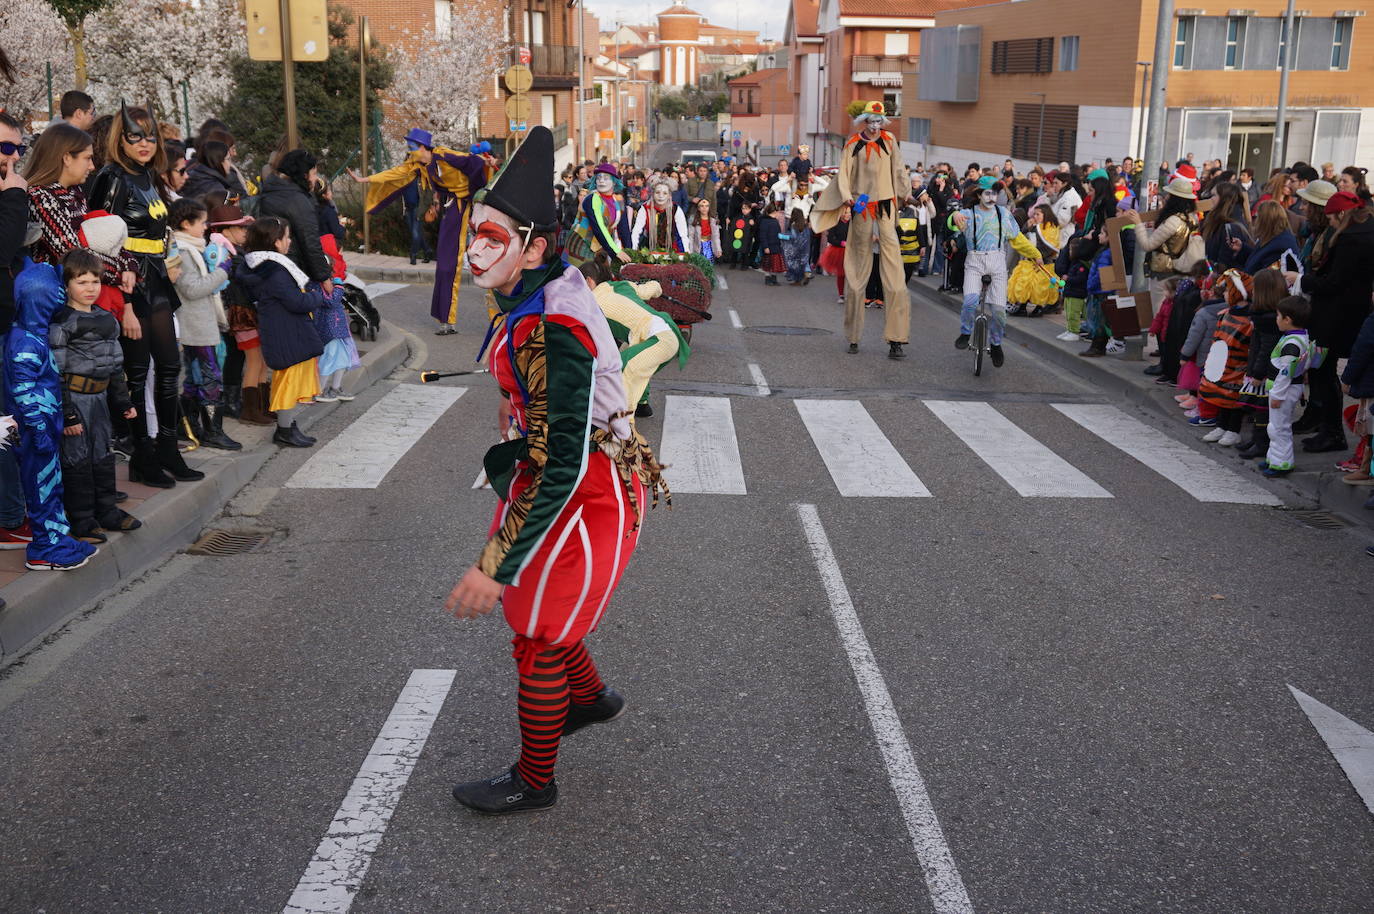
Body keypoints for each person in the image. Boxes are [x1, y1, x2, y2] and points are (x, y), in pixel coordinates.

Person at [445, 126, 666, 816]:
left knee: (537, 635)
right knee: (539, 619)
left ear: (535, 246)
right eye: (476, 231)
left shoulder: (552, 323)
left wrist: (494, 561)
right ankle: (593, 698)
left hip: (587, 489)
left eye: (493, 235)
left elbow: (561, 458)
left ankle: (534, 781)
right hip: (577, 475)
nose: (476, 246)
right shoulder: (536, 288)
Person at [87, 102, 201, 488]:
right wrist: (127, 302)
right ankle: (143, 455)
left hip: (156, 280)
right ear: (121, 137)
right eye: (135, 136)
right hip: (128, 285)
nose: (144, 143)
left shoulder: (149, 176)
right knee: (137, 375)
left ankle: (167, 448)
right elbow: (99, 241)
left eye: (150, 137)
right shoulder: (110, 176)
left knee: (169, 367)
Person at [5, 261, 99, 571]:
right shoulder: (25, 343)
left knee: (52, 486)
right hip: (35, 433)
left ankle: (57, 538)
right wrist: (39, 430)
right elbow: (22, 390)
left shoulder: (32, 334)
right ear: (43, 299)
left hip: (45, 428)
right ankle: (45, 549)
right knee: (42, 488)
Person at [353, 128, 489, 334]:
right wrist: (366, 180)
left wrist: (478, 187)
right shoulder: (419, 166)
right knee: (444, 265)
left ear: (424, 147)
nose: (409, 152)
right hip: (449, 208)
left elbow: (474, 162)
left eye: (412, 148)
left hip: (462, 206)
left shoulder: (443, 155)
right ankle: (445, 318)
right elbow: (395, 173)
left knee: (449, 264)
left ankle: (449, 318)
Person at [50, 249, 141, 542]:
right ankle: (82, 520)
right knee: (76, 459)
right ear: (66, 285)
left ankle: (108, 512)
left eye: (95, 282)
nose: (90, 288)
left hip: (100, 400)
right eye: (81, 282)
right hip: (75, 400)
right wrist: (68, 414)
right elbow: (56, 372)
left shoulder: (107, 319)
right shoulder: (62, 321)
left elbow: (115, 366)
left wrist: (123, 401)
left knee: (103, 455)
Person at [810, 101, 911, 360]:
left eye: (880, 121)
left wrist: (906, 194)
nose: (876, 126)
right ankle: (853, 337)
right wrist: (847, 197)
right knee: (856, 278)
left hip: (887, 210)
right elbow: (843, 175)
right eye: (872, 121)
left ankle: (896, 340)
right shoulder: (853, 144)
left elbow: (898, 170)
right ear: (865, 121)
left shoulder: (890, 141)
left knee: (896, 281)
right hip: (862, 210)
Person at [1284, 191, 1374, 454]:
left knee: (1323, 371)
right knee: (1324, 370)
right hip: (1348, 312)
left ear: (1342, 214)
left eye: (1332, 218)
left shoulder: (1350, 239)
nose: (1330, 223)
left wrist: (1299, 280)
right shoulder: (1365, 230)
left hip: (1335, 317)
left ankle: (1332, 433)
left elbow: (1335, 283)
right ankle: (1327, 429)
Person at [237, 217, 325, 448]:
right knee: (289, 382)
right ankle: (284, 430)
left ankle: (289, 424)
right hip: (286, 330)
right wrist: (316, 296)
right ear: (276, 242)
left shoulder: (258, 265)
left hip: (280, 328)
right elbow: (297, 302)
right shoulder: (275, 271)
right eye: (286, 237)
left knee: (288, 379)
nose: (289, 241)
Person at [168, 197, 239, 451]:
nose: (206, 227)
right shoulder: (183, 252)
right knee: (209, 379)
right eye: (202, 222)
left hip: (198, 324)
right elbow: (193, 288)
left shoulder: (191, 247)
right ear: (186, 224)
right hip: (194, 325)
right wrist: (222, 270)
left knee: (195, 379)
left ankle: (191, 426)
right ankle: (212, 431)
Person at [949, 176, 1042, 367]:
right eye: (988, 193)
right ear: (979, 194)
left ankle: (996, 344)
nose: (992, 197)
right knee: (970, 302)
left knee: (999, 312)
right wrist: (954, 216)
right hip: (975, 262)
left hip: (998, 262)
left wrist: (1035, 254)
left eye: (995, 193)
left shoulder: (1004, 215)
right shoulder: (968, 213)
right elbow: (951, 223)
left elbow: (1018, 240)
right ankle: (966, 332)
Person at [580, 257, 688, 419]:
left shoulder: (592, 302)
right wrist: (657, 288)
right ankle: (642, 405)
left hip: (659, 339)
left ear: (588, 281)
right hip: (665, 333)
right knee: (631, 358)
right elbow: (651, 289)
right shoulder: (622, 285)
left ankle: (622, 424)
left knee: (623, 368)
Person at [209, 204, 272, 426]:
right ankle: (242, 405)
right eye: (241, 228)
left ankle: (258, 404)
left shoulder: (237, 252)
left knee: (252, 359)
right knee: (248, 359)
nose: (245, 232)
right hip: (239, 313)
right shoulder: (226, 255)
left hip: (243, 312)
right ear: (225, 231)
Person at [1260, 296, 1319, 477]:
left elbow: (1285, 373)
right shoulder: (1299, 336)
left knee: (1278, 428)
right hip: (1289, 389)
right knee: (1277, 426)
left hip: (1284, 390)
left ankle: (1282, 463)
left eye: (1278, 316)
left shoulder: (1292, 344)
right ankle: (1274, 458)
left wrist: (1277, 395)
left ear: (1288, 320)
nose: (1276, 319)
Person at [1198, 270, 1254, 448]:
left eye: (1228, 290)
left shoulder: (1249, 319)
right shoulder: (1225, 312)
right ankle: (1222, 426)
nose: (1224, 294)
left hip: (1239, 364)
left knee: (1234, 397)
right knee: (1222, 394)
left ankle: (1233, 430)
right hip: (1224, 362)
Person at [567, 162, 634, 268]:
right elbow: (599, 227)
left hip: (601, 246)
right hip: (581, 246)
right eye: (599, 178)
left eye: (606, 178)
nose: (601, 181)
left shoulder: (619, 200)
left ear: (614, 182)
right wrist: (616, 252)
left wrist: (630, 252)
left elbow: (624, 229)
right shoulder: (592, 199)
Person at [1007, 203, 1062, 318]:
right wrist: (1027, 227)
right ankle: (1022, 306)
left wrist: (1039, 256)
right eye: (1034, 214)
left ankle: (1039, 307)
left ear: (1046, 214)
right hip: (1030, 261)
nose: (1035, 216)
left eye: (1038, 214)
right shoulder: (1034, 226)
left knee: (1039, 288)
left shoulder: (1050, 227)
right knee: (1024, 284)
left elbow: (1051, 246)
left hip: (1044, 264)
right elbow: (1022, 238)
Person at [630, 179, 690, 254]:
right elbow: (636, 232)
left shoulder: (676, 209)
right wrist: (633, 250)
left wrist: (686, 253)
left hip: (672, 250)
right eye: (657, 192)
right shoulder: (645, 208)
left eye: (665, 193)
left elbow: (683, 234)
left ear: (669, 196)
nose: (661, 196)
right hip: (649, 250)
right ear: (652, 194)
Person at [181, 141, 246, 202]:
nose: (230, 164)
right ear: (218, 161)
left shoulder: (198, 174)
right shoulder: (215, 189)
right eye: (228, 159)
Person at [783, 205, 814, 286]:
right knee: (804, 262)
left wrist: (781, 236)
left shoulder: (793, 225)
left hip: (795, 247)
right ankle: (807, 274)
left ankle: (797, 280)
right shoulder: (805, 224)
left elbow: (793, 237)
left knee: (795, 264)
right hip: (805, 247)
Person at [758, 201, 786, 286]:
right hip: (769, 246)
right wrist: (765, 247)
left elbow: (778, 233)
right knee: (768, 264)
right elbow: (762, 235)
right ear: (774, 212)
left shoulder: (775, 221)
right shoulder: (765, 221)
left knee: (775, 264)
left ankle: (774, 279)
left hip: (776, 246)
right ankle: (767, 278)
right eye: (777, 212)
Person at [687, 197, 720, 263]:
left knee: (708, 265)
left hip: (709, 245)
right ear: (698, 208)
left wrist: (718, 249)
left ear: (709, 208)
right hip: (698, 245)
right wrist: (690, 250)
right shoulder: (694, 220)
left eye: (706, 206)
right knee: (698, 264)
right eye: (702, 206)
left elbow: (716, 236)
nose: (704, 208)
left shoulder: (713, 220)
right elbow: (691, 236)